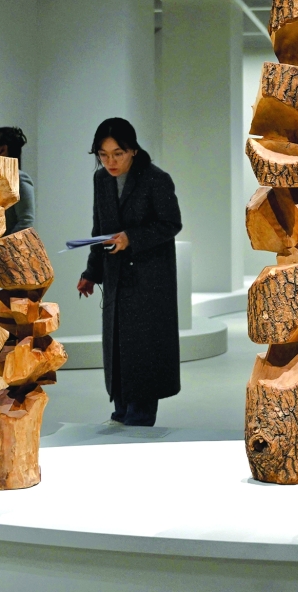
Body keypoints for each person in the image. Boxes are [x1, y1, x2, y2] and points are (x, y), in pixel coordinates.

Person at [77, 118, 183, 427]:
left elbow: (171, 223)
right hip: (116, 276)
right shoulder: (101, 180)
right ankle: (120, 409)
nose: (110, 161)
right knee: (118, 343)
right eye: (103, 154)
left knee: (144, 346)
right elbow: (99, 229)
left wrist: (131, 238)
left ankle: (140, 415)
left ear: (133, 151)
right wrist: (91, 273)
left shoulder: (156, 179)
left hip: (150, 279)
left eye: (118, 153)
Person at [0, 126, 35, 235]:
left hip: (6, 250)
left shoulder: (19, 179)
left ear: (2, 150)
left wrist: (0, 248)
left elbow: (25, 222)